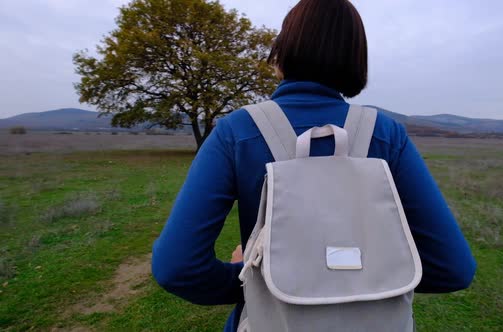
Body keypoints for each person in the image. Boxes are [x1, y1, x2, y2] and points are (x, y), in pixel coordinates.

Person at [151, 0, 476, 331]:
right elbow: (452, 268)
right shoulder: (387, 136)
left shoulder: (237, 132)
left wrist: (250, 278)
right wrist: (369, 280)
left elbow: (177, 267)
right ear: (354, 59)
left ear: (281, 55)